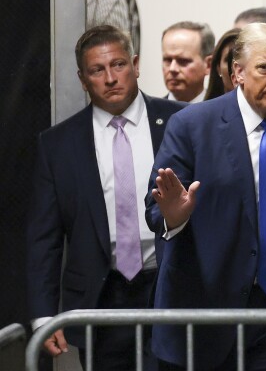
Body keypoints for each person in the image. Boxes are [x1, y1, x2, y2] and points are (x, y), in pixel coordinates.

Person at [146, 23, 266, 370]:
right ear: (238, 72)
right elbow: (156, 212)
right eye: (265, 67)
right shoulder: (192, 125)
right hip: (210, 311)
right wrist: (176, 215)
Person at [26, 25, 183, 371]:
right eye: (98, 70)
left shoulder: (180, 122)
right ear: (83, 79)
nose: (111, 78)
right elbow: (44, 238)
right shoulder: (58, 144)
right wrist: (43, 314)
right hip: (101, 295)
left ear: (136, 64)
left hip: (169, 285)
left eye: (119, 65)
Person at [161, 21, 215, 103]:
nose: (172, 69)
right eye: (168, 60)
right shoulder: (148, 113)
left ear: (208, 65)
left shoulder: (223, 112)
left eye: (183, 61)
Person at [204, 27, 240, 100]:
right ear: (218, 68)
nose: (235, 68)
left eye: (241, 59)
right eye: (229, 60)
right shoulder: (204, 110)